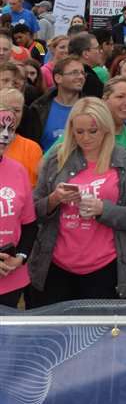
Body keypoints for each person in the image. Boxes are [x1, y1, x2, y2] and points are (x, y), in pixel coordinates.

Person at [29, 98, 126, 303]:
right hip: (55, 266)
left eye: (93, 131)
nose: (85, 138)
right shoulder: (56, 159)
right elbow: (33, 211)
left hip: (106, 267)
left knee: (98, 333)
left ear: (105, 128)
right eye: (79, 131)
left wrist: (103, 210)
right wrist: (54, 199)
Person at [0, 102, 36, 307]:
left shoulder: (18, 171)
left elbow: (29, 225)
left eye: (10, 129)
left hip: (12, 277)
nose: (5, 135)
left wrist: (21, 257)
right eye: (0, 128)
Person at [24, 54, 86, 150]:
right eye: (74, 73)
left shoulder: (90, 108)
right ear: (58, 78)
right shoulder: (39, 108)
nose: (81, 77)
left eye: (82, 73)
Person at [0, 90, 42, 186]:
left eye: (17, 110)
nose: (11, 114)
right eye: (6, 108)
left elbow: (34, 192)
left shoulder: (32, 149)